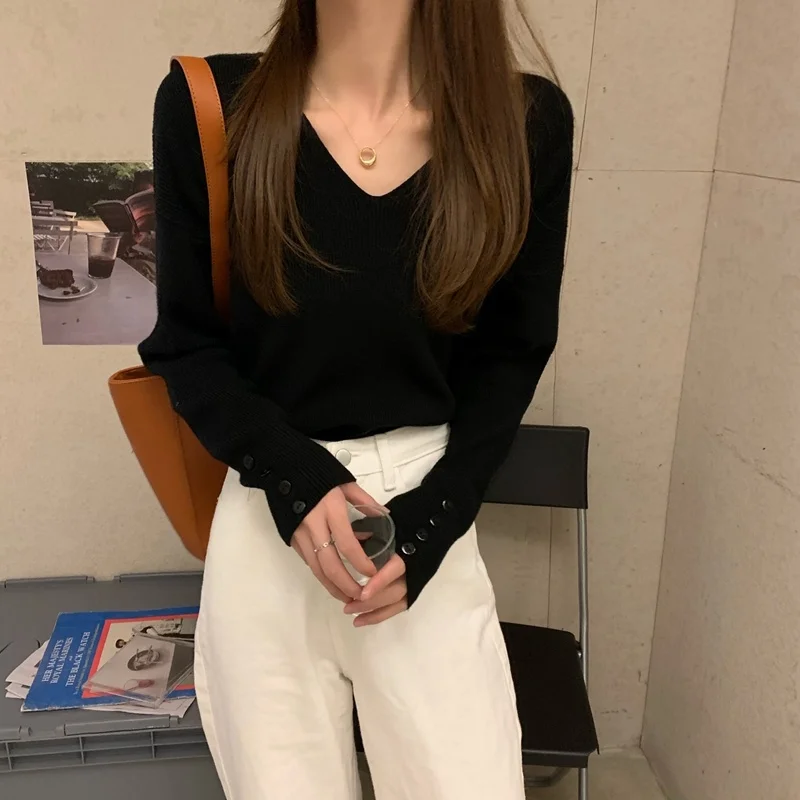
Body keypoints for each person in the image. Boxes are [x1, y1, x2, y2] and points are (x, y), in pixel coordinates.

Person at [138, 1, 574, 798]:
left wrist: (437, 518)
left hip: (429, 507)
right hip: (267, 514)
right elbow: (185, 346)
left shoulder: (523, 121)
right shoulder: (213, 106)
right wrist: (295, 479)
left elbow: (512, 353)